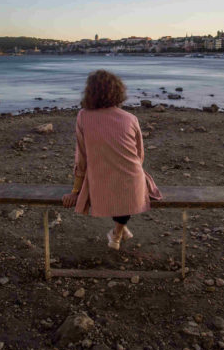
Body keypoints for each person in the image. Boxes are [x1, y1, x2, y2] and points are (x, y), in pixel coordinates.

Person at [61, 70, 162, 249]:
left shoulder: (83, 116)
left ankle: (117, 233)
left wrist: (75, 191)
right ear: (117, 92)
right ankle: (118, 232)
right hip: (133, 183)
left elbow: (81, 158)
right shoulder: (131, 118)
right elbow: (139, 156)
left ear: (90, 92)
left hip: (104, 182)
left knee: (110, 186)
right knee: (124, 190)